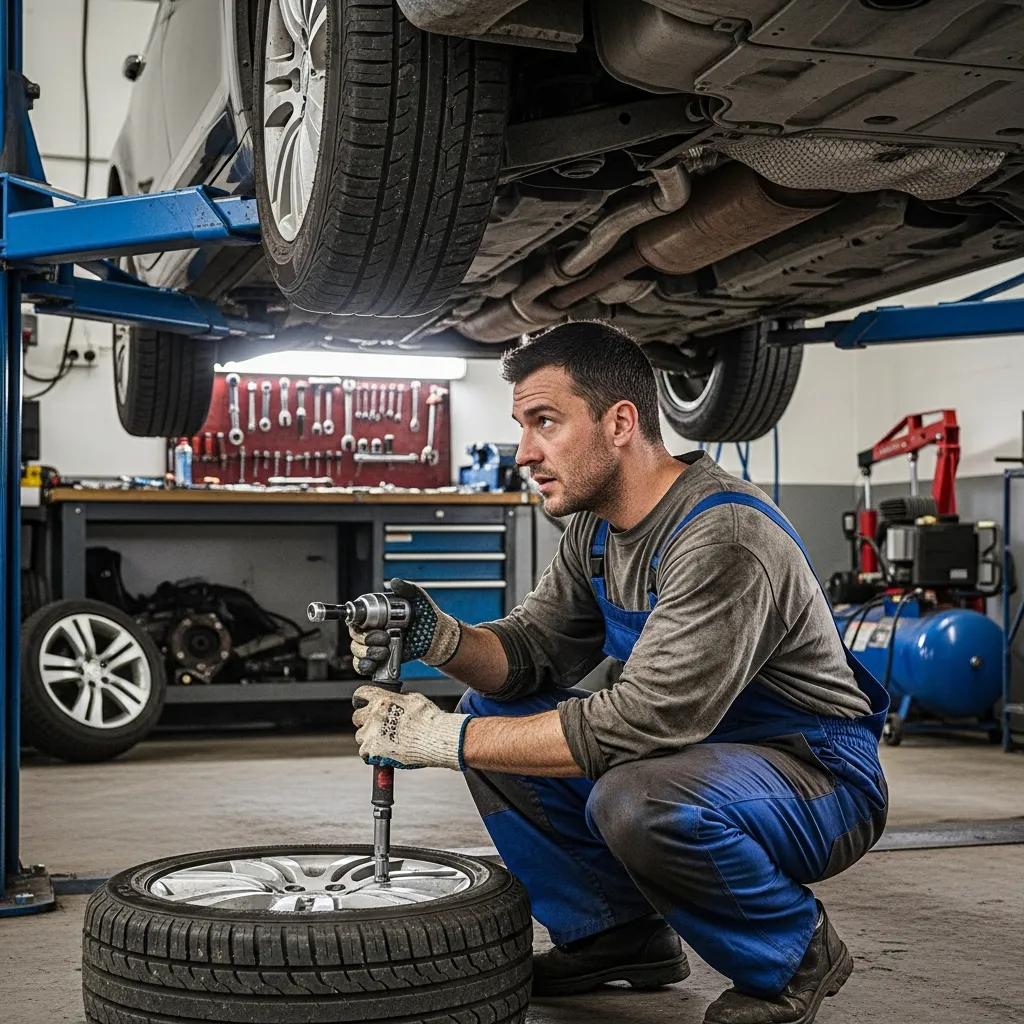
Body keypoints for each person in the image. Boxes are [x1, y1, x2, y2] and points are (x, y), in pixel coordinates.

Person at [350, 321, 889, 1024]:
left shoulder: (722, 535)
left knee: (636, 797)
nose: (525, 452)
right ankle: (616, 936)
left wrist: (439, 741)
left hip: (816, 775)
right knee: (493, 717)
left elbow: (647, 719)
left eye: (545, 422)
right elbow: (529, 654)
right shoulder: (598, 527)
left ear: (621, 422)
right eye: (522, 426)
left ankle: (794, 956)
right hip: (699, 756)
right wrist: (438, 636)